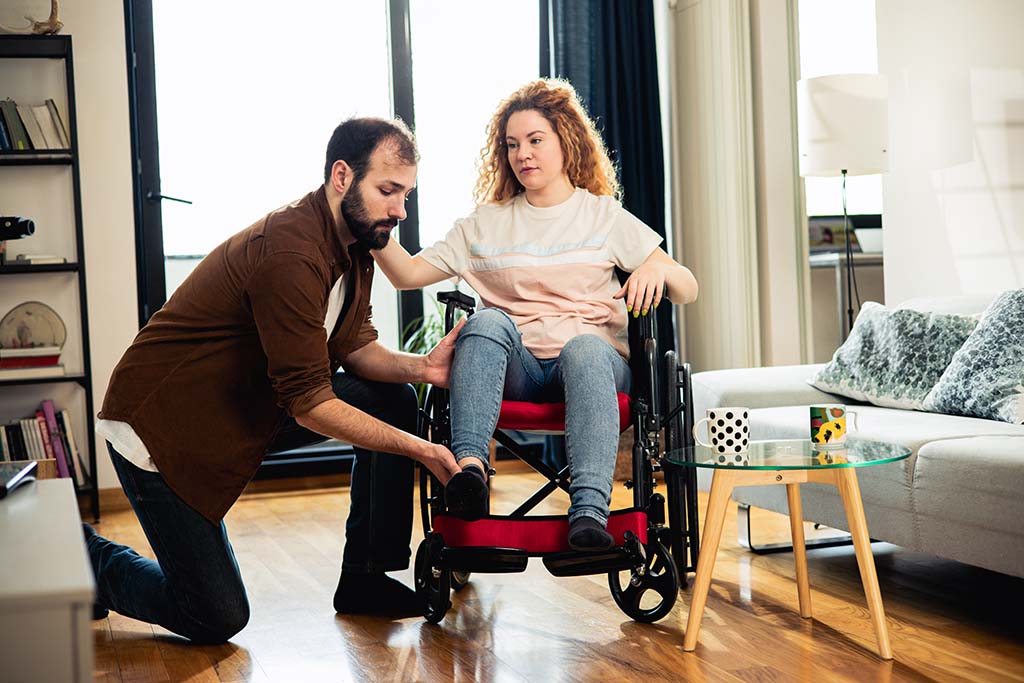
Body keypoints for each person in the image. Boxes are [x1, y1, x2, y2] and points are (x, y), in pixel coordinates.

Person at [86, 117, 464, 644]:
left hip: (245, 406)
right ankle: (83, 559)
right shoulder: (292, 252)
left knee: (392, 399)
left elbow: (355, 348)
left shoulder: (357, 241)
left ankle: (365, 578)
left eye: (406, 194)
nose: (400, 209)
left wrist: (422, 368)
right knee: (215, 616)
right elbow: (310, 403)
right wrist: (420, 450)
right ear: (341, 177)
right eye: (388, 191)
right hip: (163, 429)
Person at [373, 79, 698, 551]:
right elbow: (406, 274)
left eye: (535, 140)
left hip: (594, 369)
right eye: (512, 144)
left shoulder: (604, 216)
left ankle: (588, 509)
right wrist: (371, 224)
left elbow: (687, 287)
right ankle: (469, 473)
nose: (522, 153)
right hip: (518, 370)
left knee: (584, 345)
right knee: (484, 322)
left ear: (565, 141)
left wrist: (653, 265)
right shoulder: (485, 223)